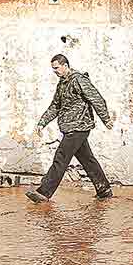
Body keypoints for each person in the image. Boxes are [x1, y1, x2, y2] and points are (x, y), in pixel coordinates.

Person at [25, 54, 114, 203]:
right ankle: (103, 189)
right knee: (87, 159)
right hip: (69, 127)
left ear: (65, 65)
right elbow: (55, 106)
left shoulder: (79, 80)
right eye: (53, 69)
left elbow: (96, 98)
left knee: (61, 157)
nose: (55, 71)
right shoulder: (62, 84)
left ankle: (44, 192)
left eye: (56, 68)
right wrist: (42, 123)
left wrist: (106, 119)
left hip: (79, 126)